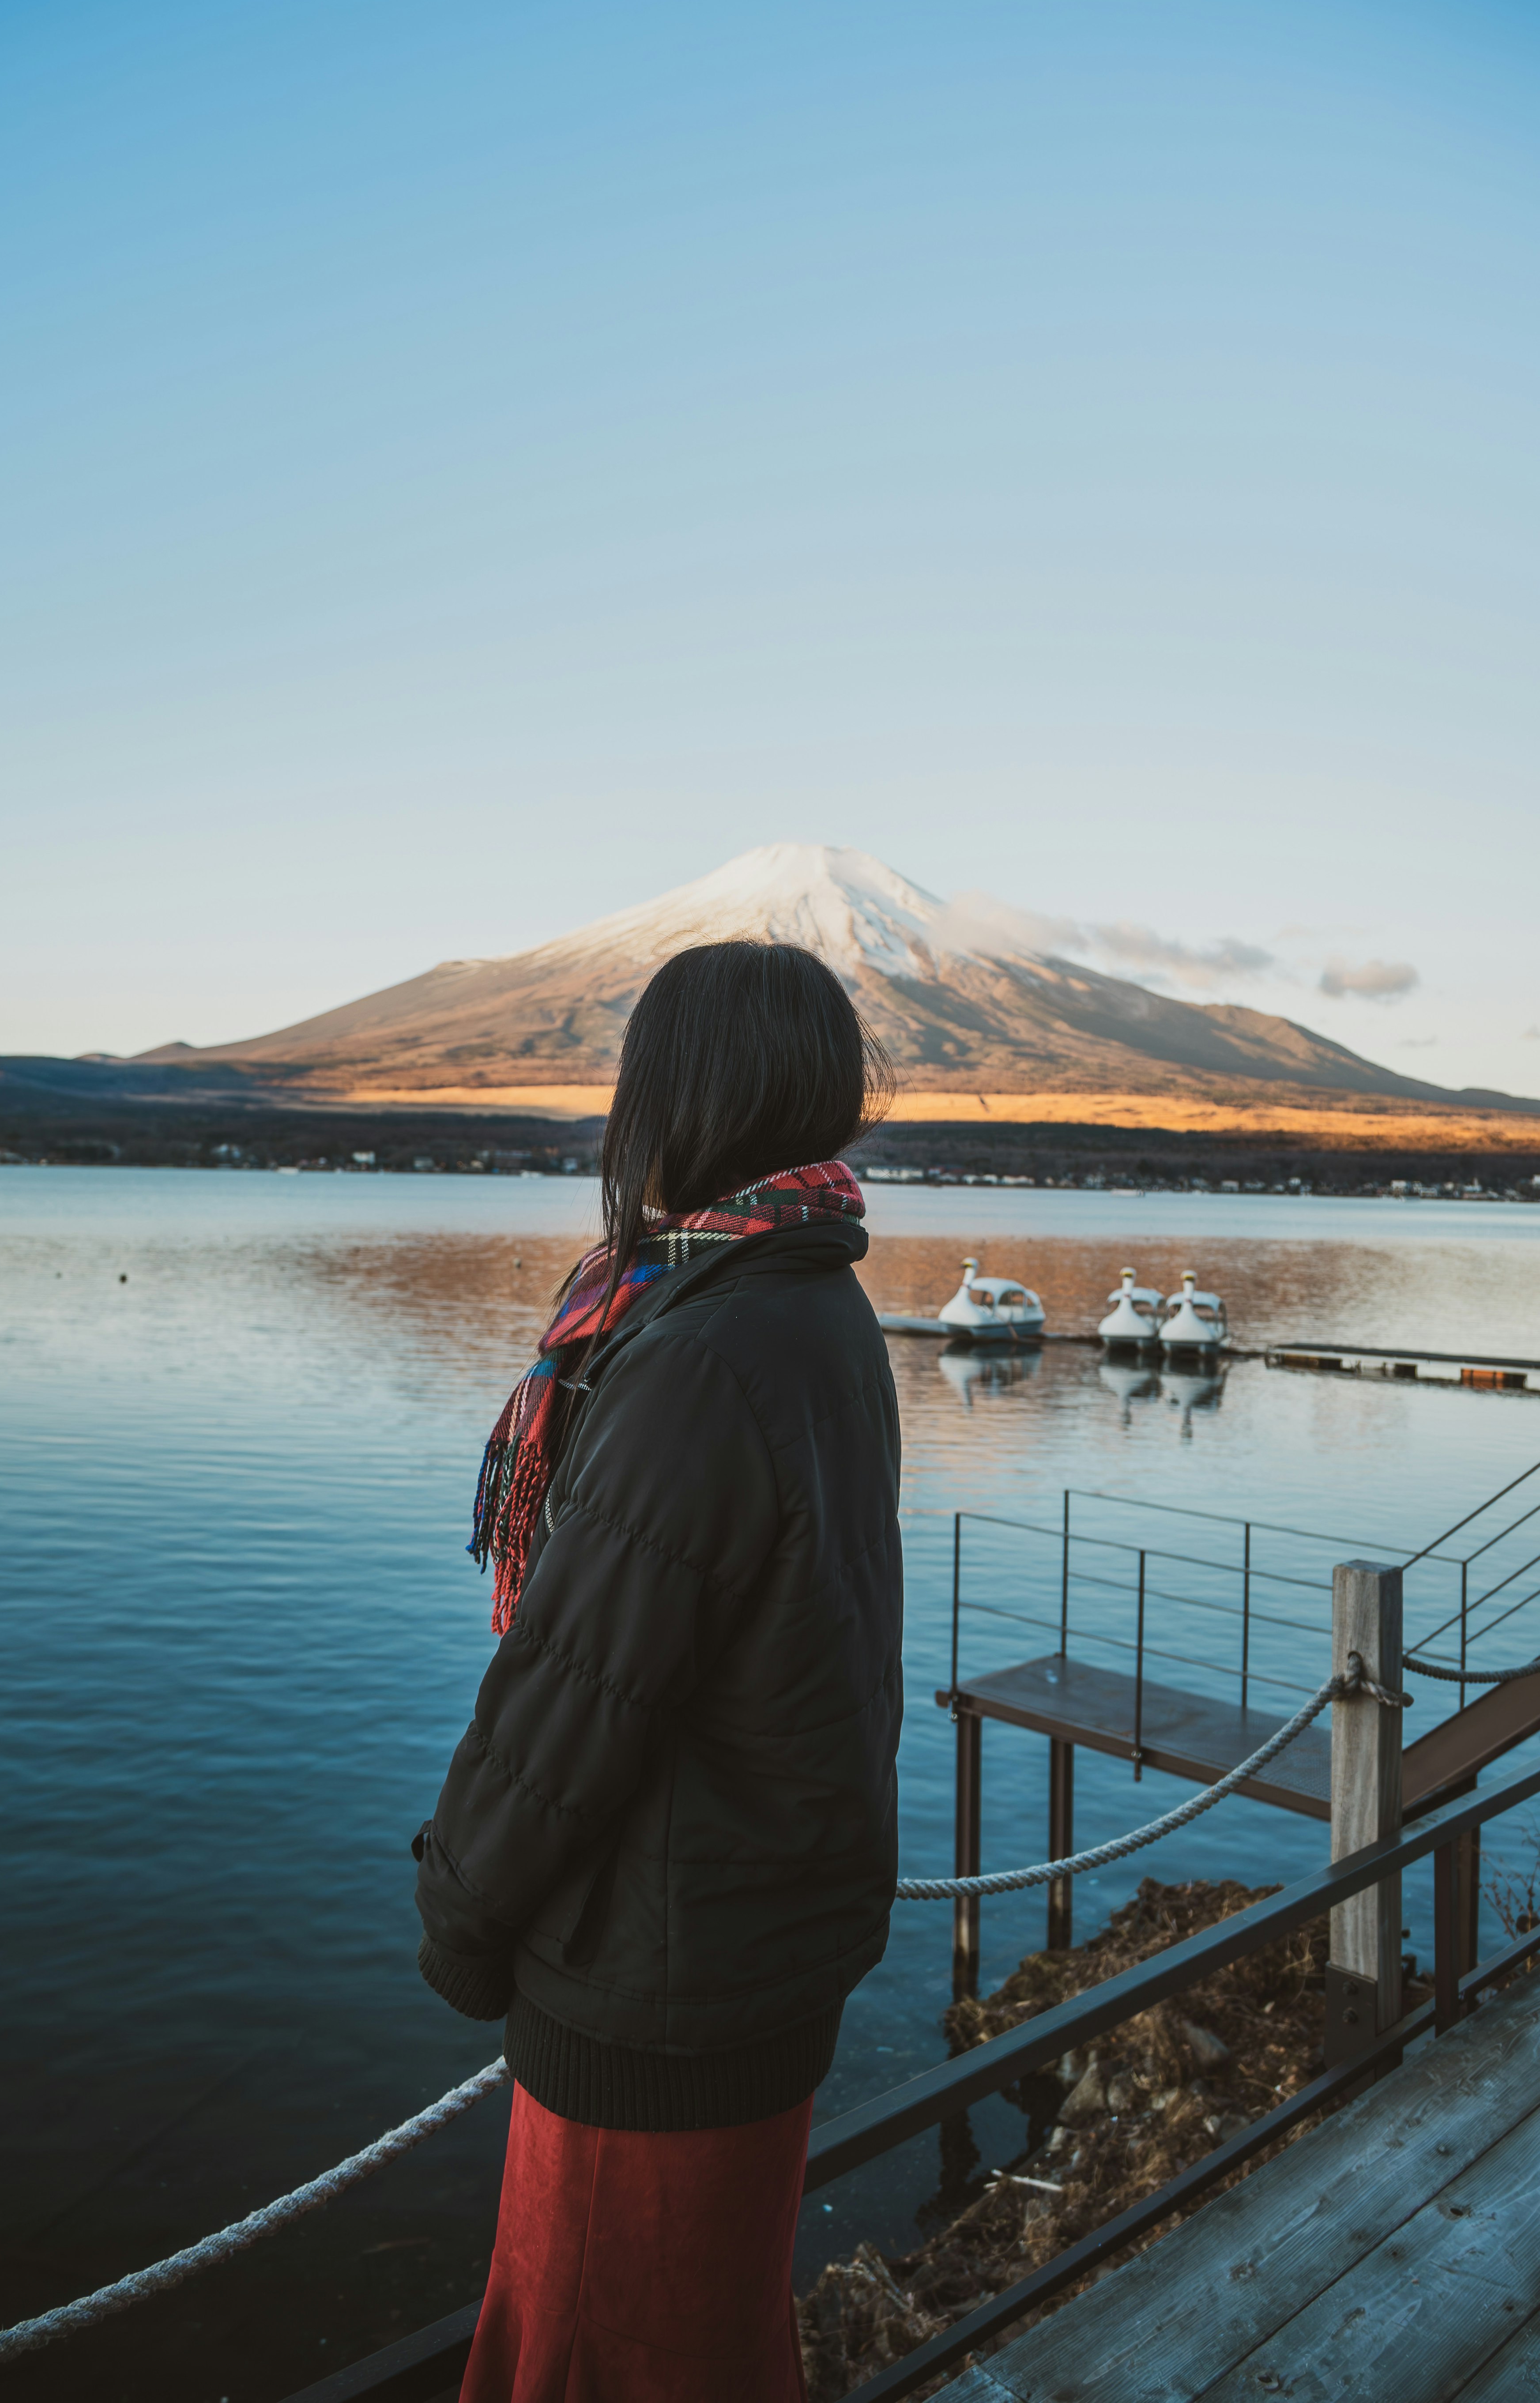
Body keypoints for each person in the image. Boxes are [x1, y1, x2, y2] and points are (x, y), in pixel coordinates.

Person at [414, 938, 904, 2403]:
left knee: (594, 2357)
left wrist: (459, 1917)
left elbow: (575, 1691)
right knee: (710, 2345)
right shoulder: (814, 1303)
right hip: (756, 1948)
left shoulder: (697, 1346)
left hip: (660, 1980)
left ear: (674, 1098)